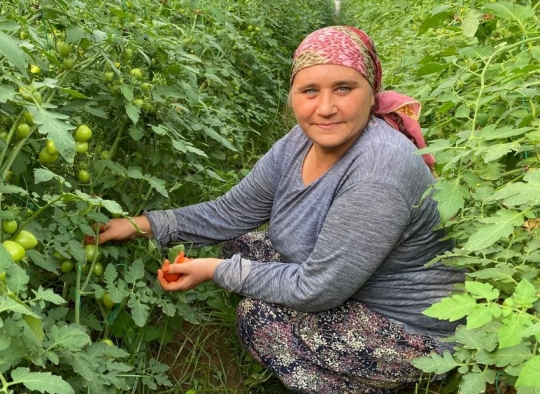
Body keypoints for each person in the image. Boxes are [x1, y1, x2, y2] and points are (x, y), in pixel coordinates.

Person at [88, 26, 465, 393]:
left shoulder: (379, 171)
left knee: (259, 318)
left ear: (372, 93)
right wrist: (143, 225)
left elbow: (318, 290)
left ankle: (361, 383)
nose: (326, 108)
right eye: (310, 91)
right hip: (345, 282)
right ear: (292, 95)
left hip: (409, 327)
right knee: (240, 246)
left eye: (344, 89)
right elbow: (230, 213)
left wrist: (212, 272)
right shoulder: (298, 142)